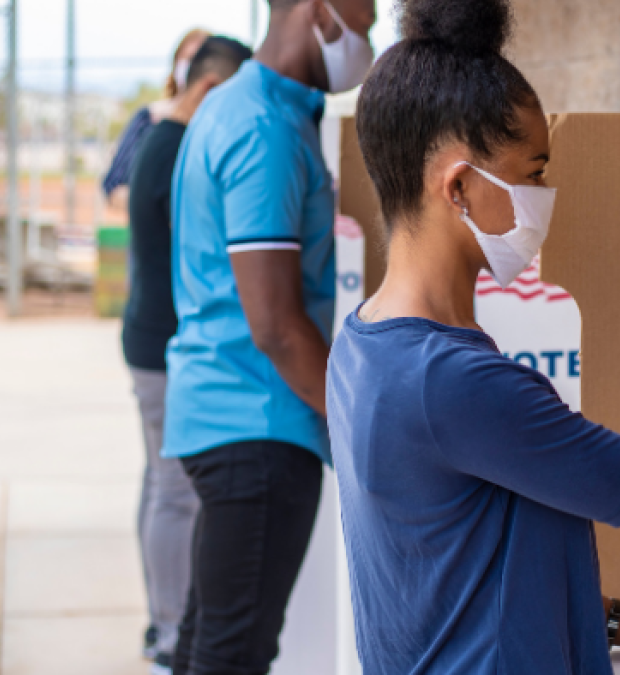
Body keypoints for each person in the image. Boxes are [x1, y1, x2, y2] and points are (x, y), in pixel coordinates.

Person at [326, 0, 620, 672]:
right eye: (534, 172)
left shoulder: (364, 344)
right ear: (459, 185)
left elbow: (467, 558)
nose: (545, 193)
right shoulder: (454, 383)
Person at [162, 1, 374, 673]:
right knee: (233, 653)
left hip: (223, 415)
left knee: (211, 641)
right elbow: (278, 325)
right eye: (365, 17)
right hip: (257, 423)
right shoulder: (266, 131)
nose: (369, 36)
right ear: (320, 9)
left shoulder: (237, 108)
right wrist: (356, 427)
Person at [123, 36, 254, 675]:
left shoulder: (159, 139)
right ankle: (172, 633)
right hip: (161, 346)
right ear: (206, 90)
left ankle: (164, 622)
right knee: (174, 493)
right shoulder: (176, 150)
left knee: (161, 486)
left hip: (148, 338)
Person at [103, 29, 210, 213]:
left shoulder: (218, 124)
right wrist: (151, 206)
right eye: (187, 59)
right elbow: (114, 184)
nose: (192, 67)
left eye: (198, 59)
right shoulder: (149, 118)